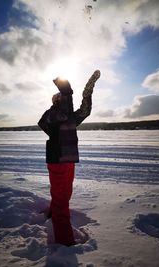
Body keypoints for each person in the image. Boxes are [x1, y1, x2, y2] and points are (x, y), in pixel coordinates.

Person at [38, 70, 100, 246]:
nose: (62, 99)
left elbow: (85, 111)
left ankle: (51, 214)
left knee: (65, 195)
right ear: (56, 101)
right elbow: (62, 111)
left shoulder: (67, 116)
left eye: (62, 97)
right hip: (57, 160)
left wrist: (88, 93)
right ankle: (65, 243)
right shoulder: (51, 115)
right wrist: (65, 89)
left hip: (68, 159)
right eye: (60, 98)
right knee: (61, 202)